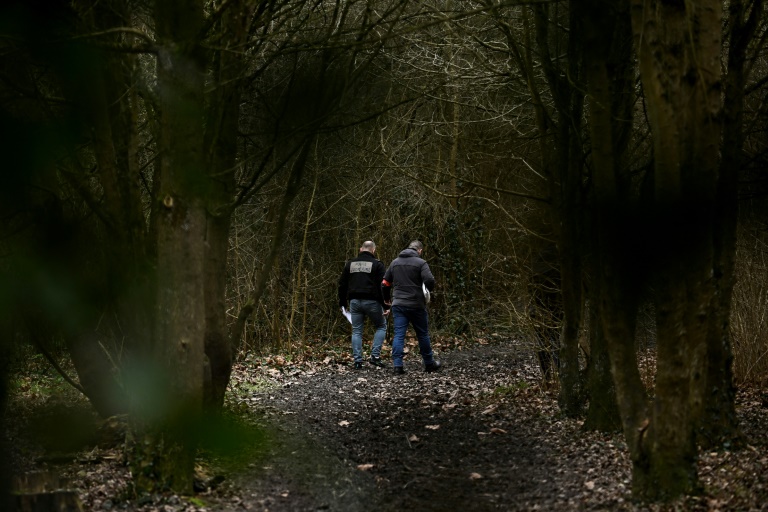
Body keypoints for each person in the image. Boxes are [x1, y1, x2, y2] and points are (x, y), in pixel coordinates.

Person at [381, 240, 441, 375]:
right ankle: (429, 363)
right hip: (416, 304)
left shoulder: (394, 263)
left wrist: (387, 299)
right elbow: (430, 280)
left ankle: (397, 366)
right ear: (419, 250)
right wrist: (427, 291)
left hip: (399, 304)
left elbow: (385, 283)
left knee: (399, 335)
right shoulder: (421, 263)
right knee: (423, 334)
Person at [338, 240, 388, 369]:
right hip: (372, 301)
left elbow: (342, 284)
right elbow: (382, 286)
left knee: (356, 331)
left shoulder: (350, 264)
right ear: (373, 250)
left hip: (354, 301)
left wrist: (342, 303)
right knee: (381, 326)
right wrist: (386, 305)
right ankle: (375, 356)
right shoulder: (377, 265)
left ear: (361, 249)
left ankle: (358, 361)